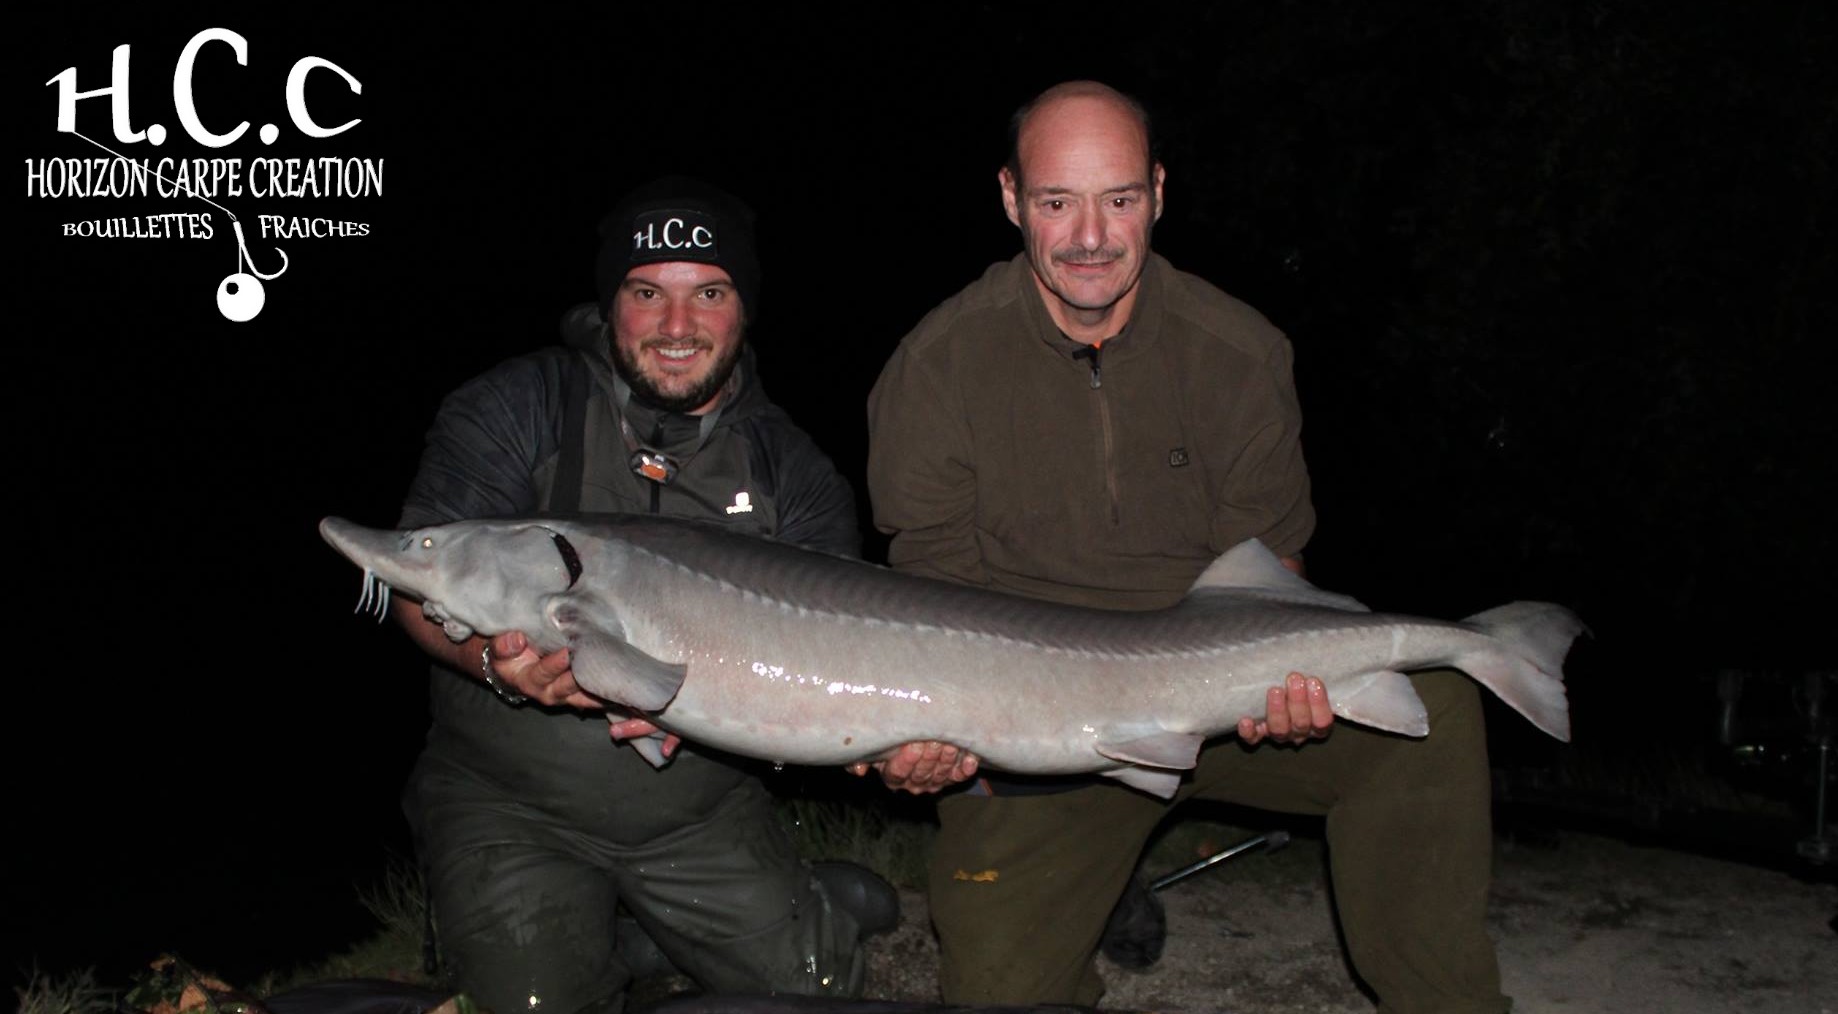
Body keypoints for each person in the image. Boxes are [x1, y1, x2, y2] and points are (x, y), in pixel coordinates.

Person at [865, 82, 1505, 1013]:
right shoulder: (935, 369)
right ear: (1011, 199)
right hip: (1040, 733)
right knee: (1001, 988)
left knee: (1437, 707)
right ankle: (1093, 869)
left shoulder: (1239, 352)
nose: (1091, 236)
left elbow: (1269, 569)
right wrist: (924, 737)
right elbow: (930, 606)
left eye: (1118, 198)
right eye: (1057, 202)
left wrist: (1286, 684)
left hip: (1219, 698)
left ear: (1158, 192)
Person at [391, 176, 895, 1014]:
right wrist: (488, 661)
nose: (675, 327)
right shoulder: (518, 407)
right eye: (646, 292)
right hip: (510, 804)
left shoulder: (793, 475)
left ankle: (712, 918)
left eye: (708, 293)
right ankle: (561, 930)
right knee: (532, 1003)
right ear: (610, 302)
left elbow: (838, 675)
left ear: (743, 308)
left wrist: (912, 738)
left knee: (818, 993)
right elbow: (418, 584)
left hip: (696, 812)